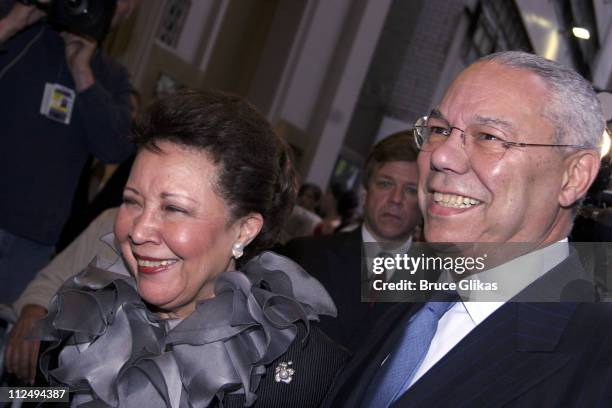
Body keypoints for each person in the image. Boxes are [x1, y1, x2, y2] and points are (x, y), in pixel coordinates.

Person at [326, 51, 612, 407]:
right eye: (439, 130)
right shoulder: (410, 293)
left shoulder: (598, 361)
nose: (441, 156)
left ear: (574, 176)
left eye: (489, 137)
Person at [29, 89, 348, 407]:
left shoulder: (292, 369)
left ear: (243, 229)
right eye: (132, 201)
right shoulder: (85, 313)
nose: (138, 231)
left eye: (174, 209)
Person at [0, 0, 138, 302]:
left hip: (32, 242)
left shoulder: (111, 76)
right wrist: (12, 22)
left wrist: (82, 73)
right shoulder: (18, 28)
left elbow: (117, 148)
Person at [280, 131, 421, 351]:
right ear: (365, 193)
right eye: (385, 184)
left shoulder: (438, 285)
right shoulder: (304, 257)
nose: (396, 199)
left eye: (411, 190)